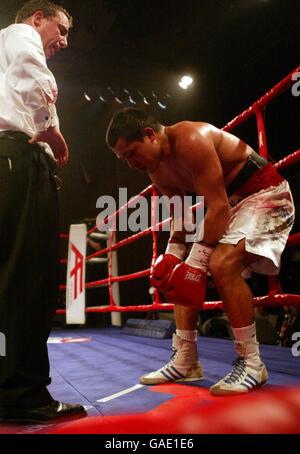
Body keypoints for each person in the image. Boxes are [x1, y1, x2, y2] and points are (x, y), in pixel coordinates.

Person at [105, 107, 295, 396]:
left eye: (131, 153)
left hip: (265, 193)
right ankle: (186, 359)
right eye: (124, 159)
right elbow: (181, 221)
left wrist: (196, 262)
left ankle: (252, 362)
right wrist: (172, 257)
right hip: (232, 204)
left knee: (220, 264)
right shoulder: (156, 170)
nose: (131, 164)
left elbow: (216, 207)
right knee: (177, 275)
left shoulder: (190, 139)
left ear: (150, 135)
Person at [0, 1, 86, 421]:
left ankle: (8, 387)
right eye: (62, 29)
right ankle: (24, 395)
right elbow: (32, 77)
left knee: (6, 278)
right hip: (16, 159)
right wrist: (52, 131)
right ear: (37, 18)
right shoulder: (19, 35)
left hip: (5, 164)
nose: (64, 41)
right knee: (28, 279)